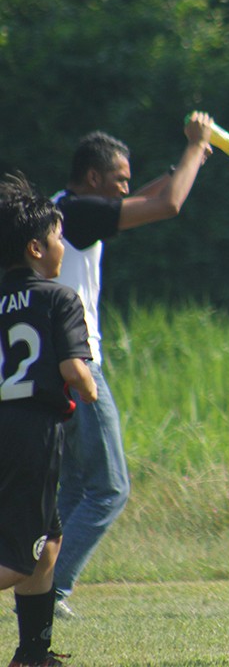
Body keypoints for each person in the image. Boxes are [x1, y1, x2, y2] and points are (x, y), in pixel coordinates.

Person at [49, 115, 216, 616]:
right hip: (80, 363)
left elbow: (141, 200)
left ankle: (42, 586)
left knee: (75, 487)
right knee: (110, 489)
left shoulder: (64, 208)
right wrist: (195, 144)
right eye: (119, 178)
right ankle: (50, 589)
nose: (126, 186)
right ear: (93, 177)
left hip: (53, 366)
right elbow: (167, 205)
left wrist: (185, 164)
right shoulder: (78, 212)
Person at [1, 174, 97, 667]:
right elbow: (73, 370)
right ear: (36, 248)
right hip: (32, 433)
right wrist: (90, 388)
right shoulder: (59, 298)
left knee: (49, 543)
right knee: (21, 557)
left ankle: (32, 654)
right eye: (59, 237)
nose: (63, 247)